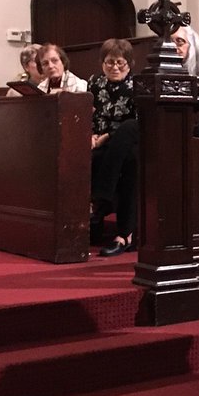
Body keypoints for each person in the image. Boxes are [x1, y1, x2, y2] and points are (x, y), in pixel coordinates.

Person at [88, 39, 138, 257]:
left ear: (129, 64)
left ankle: (101, 203)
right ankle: (120, 232)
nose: (114, 67)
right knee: (97, 158)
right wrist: (90, 134)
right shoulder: (94, 82)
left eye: (120, 63)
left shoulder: (137, 85)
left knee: (131, 154)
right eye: (109, 62)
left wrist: (105, 137)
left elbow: (138, 122)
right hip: (100, 143)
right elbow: (88, 114)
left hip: (126, 141)